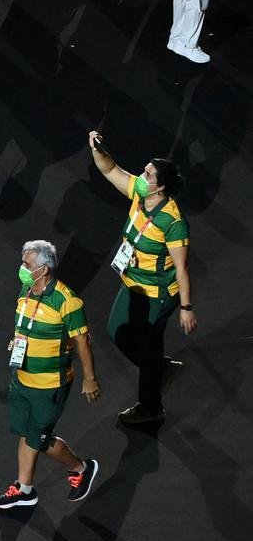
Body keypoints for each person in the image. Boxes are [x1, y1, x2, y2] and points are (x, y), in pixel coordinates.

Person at [88, 132, 196, 425]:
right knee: (116, 332)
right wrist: (98, 149)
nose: (141, 175)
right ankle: (158, 368)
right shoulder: (140, 191)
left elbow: (182, 268)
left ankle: (151, 407)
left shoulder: (172, 222)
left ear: (160, 188)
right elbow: (111, 169)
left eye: (148, 174)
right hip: (133, 283)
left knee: (148, 344)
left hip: (158, 293)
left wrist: (186, 308)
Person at [0, 240, 102, 510]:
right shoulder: (27, 289)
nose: (22, 268)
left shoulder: (67, 301)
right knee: (26, 432)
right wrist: (17, 339)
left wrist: (90, 378)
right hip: (22, 379)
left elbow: (83, 341)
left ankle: (81, 468)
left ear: (44, 269)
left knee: (38, 438)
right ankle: (25, 489)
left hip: (50, 385)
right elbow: (23, 321)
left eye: (27, 264)